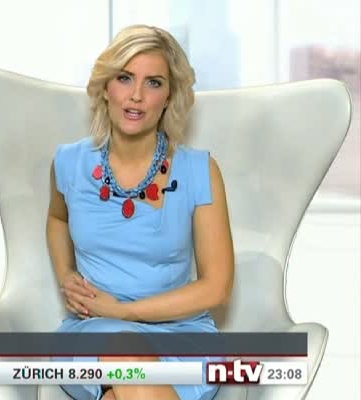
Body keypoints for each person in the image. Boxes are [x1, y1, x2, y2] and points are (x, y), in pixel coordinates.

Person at [46, 25, 234, 400]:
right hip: (95, 331)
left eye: (154, 83)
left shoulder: (200, 170)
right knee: (125, 352)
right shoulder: (69, 163)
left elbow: (218, 286)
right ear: (105, 87)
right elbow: (58, 219)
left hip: (182, 334)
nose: (136, 95)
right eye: (125, 78)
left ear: (169, 96)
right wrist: (67, 274)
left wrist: (124, 312)